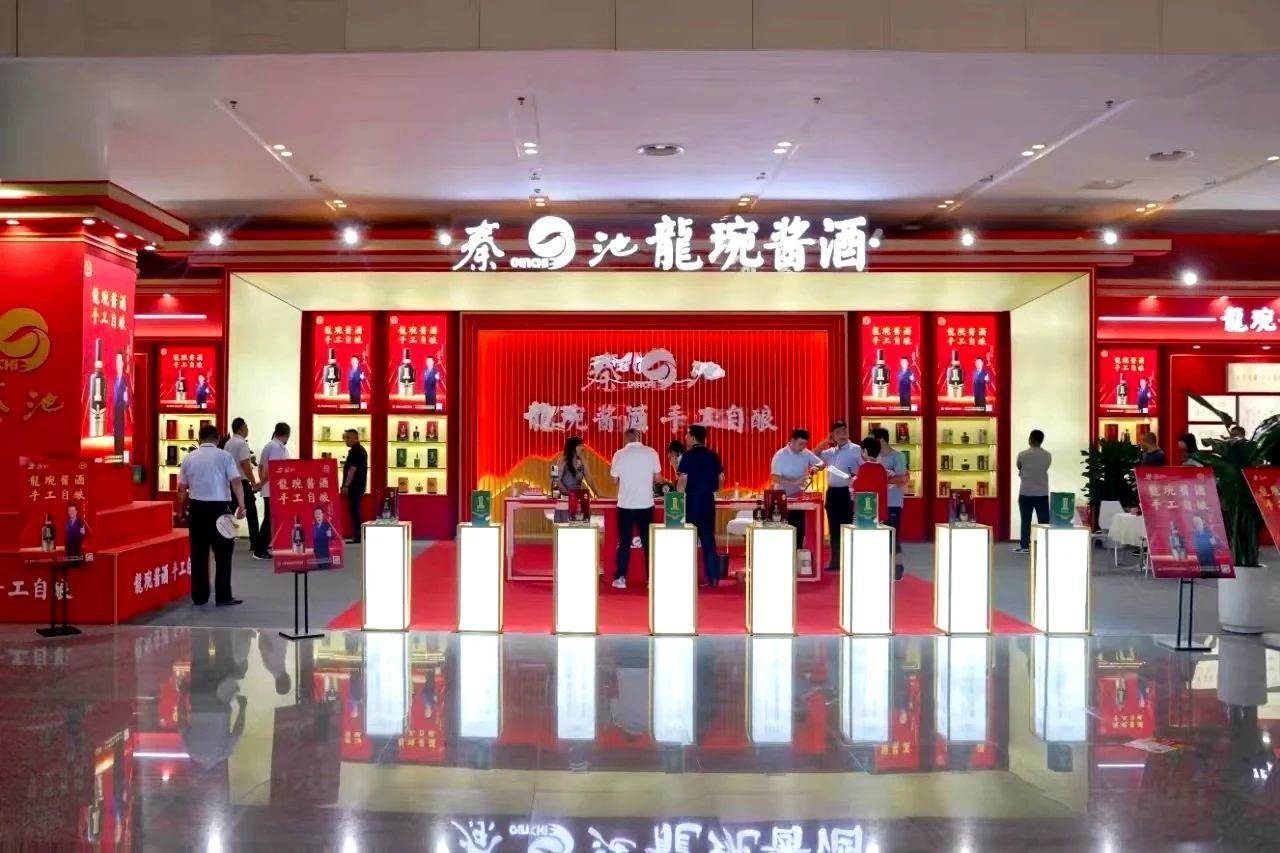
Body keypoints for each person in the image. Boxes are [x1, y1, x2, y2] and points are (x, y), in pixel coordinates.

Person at [178, 424, 246, 606]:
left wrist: (181, 510)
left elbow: (182, 489)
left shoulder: (188, 458)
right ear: (217, 438)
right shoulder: (225, 456)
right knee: (224, 554)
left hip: (197, 509)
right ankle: (223, 595)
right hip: (221, 509)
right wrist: (242, 505)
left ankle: (199, 597)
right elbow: (236, 481)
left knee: (198, 553)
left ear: (199, 438)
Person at [609, 428, 662, 589]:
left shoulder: (619, 454)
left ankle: (620, 577)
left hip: (625, 504)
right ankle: (651, 579)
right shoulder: (651, 452)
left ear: (625, 439)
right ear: (639, 437)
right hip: (646, 503)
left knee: (624, 542)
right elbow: (658, 477)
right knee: (648, 542)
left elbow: (614, 480)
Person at [678, 425, 724, 587]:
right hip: (708, 500)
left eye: (687, 435)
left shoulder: (687, 456)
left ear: (692, 437)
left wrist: (678, 498)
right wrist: (714, 489)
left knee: (689, 539)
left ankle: (688, 577)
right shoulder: (713, 456)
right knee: (708, 539)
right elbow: (721, 478)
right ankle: (713, 577)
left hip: (692, 501)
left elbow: (682, 480)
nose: (685, 438)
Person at [770, 428, 826, 552]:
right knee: (784, 530)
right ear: (792, 440)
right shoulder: (780, 455)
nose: (803, 447)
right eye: (801, 443)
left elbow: (822, 463)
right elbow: (775, 477)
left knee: (799, 529)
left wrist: (816, 467)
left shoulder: (806, 453)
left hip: (799, 498)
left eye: (805, 444)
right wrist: (794, 482)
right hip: (782, 499)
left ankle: (797, 552)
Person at [814, 421, 859, 571]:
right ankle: (835, 561)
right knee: (834, 528)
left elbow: (865, 468)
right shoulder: (830, 452)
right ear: (833, 435)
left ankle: (848, 561)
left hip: (848, 493)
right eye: (838, 432)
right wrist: (826, 441)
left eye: (844, 431)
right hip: (832, 493)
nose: (842, 435)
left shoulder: (857, 450)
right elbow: (813, 455)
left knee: (847, 526)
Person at [872, 427, 909, 579]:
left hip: (893, 502)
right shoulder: (875, 457)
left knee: (893, 535)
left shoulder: (897, 456)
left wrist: (881, 480)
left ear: (881, 440)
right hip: (876, 502)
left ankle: (897, 566)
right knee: (879, 536)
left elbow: (902, 479)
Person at [254, 422, 291, 560]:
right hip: (273, 489)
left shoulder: (273, 446)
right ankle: (260, 549)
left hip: (273, 488)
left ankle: (263, 545)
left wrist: (261, 483)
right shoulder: (275, 447)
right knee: (269, 519)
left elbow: (261, 466)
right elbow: (272, 469)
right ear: (287, 435)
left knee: (271, 518)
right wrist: (261, 483)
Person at [223, 418, 261, 552]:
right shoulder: (242, 443)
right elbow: (245, 463)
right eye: (246, 427)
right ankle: (256, 543)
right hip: (242, 482)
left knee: (230, 510)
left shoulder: (228, 443)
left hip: (230, 481)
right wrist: (253, 481)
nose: (247, 430)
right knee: (252, 512)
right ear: (242, 428)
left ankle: (224, 538)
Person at [1015, 429, 1052, 554]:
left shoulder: (1022, 454)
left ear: (1030, 439)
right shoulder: (1048, 455)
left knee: (1025, 520)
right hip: (1042, 492)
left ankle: (1025, 545)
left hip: (1026, 492)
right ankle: (1044, 545)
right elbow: (1046, 467)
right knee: (1044, 521)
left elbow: (1019, 466)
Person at [553, 436, 597, 522]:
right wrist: (568, 494)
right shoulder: (561, 460)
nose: (582, 448)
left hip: (578, 498)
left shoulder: (581, 462)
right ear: (573, 447)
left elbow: (589, 479)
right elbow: (556, 480)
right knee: (565, 525)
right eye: (580, 445)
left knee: (578, 524)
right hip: (565, 499)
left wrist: (597, 494)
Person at [852, 437, 889, 525]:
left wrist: (853, 481)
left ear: (865, 451)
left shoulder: (863, 468)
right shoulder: (881, 468)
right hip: (879, 509)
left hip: (865, 509)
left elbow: (859, 487)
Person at [341, 428, 368, 544]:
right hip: (359, 485)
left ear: (355, 438)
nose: (346, 440)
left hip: (355, 486)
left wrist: (346, 486)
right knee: (354, 509)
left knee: (354, 510)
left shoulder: (356, 451)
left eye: (348, 437)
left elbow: (352, 469)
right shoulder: (360, 450)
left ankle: (357, 534)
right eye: (345, 437)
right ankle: (357, 534)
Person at [112, 349, 129, 456]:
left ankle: (120, 454)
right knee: (116, 432)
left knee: (120, 432)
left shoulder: (125, 378)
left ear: (123, 363)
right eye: (117, 361)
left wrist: (126, 403)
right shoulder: (114, 379)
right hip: (115, 410)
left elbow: (127, 393)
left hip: (122, 410)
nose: (118, 363)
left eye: (120, 361)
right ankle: (116, 453)